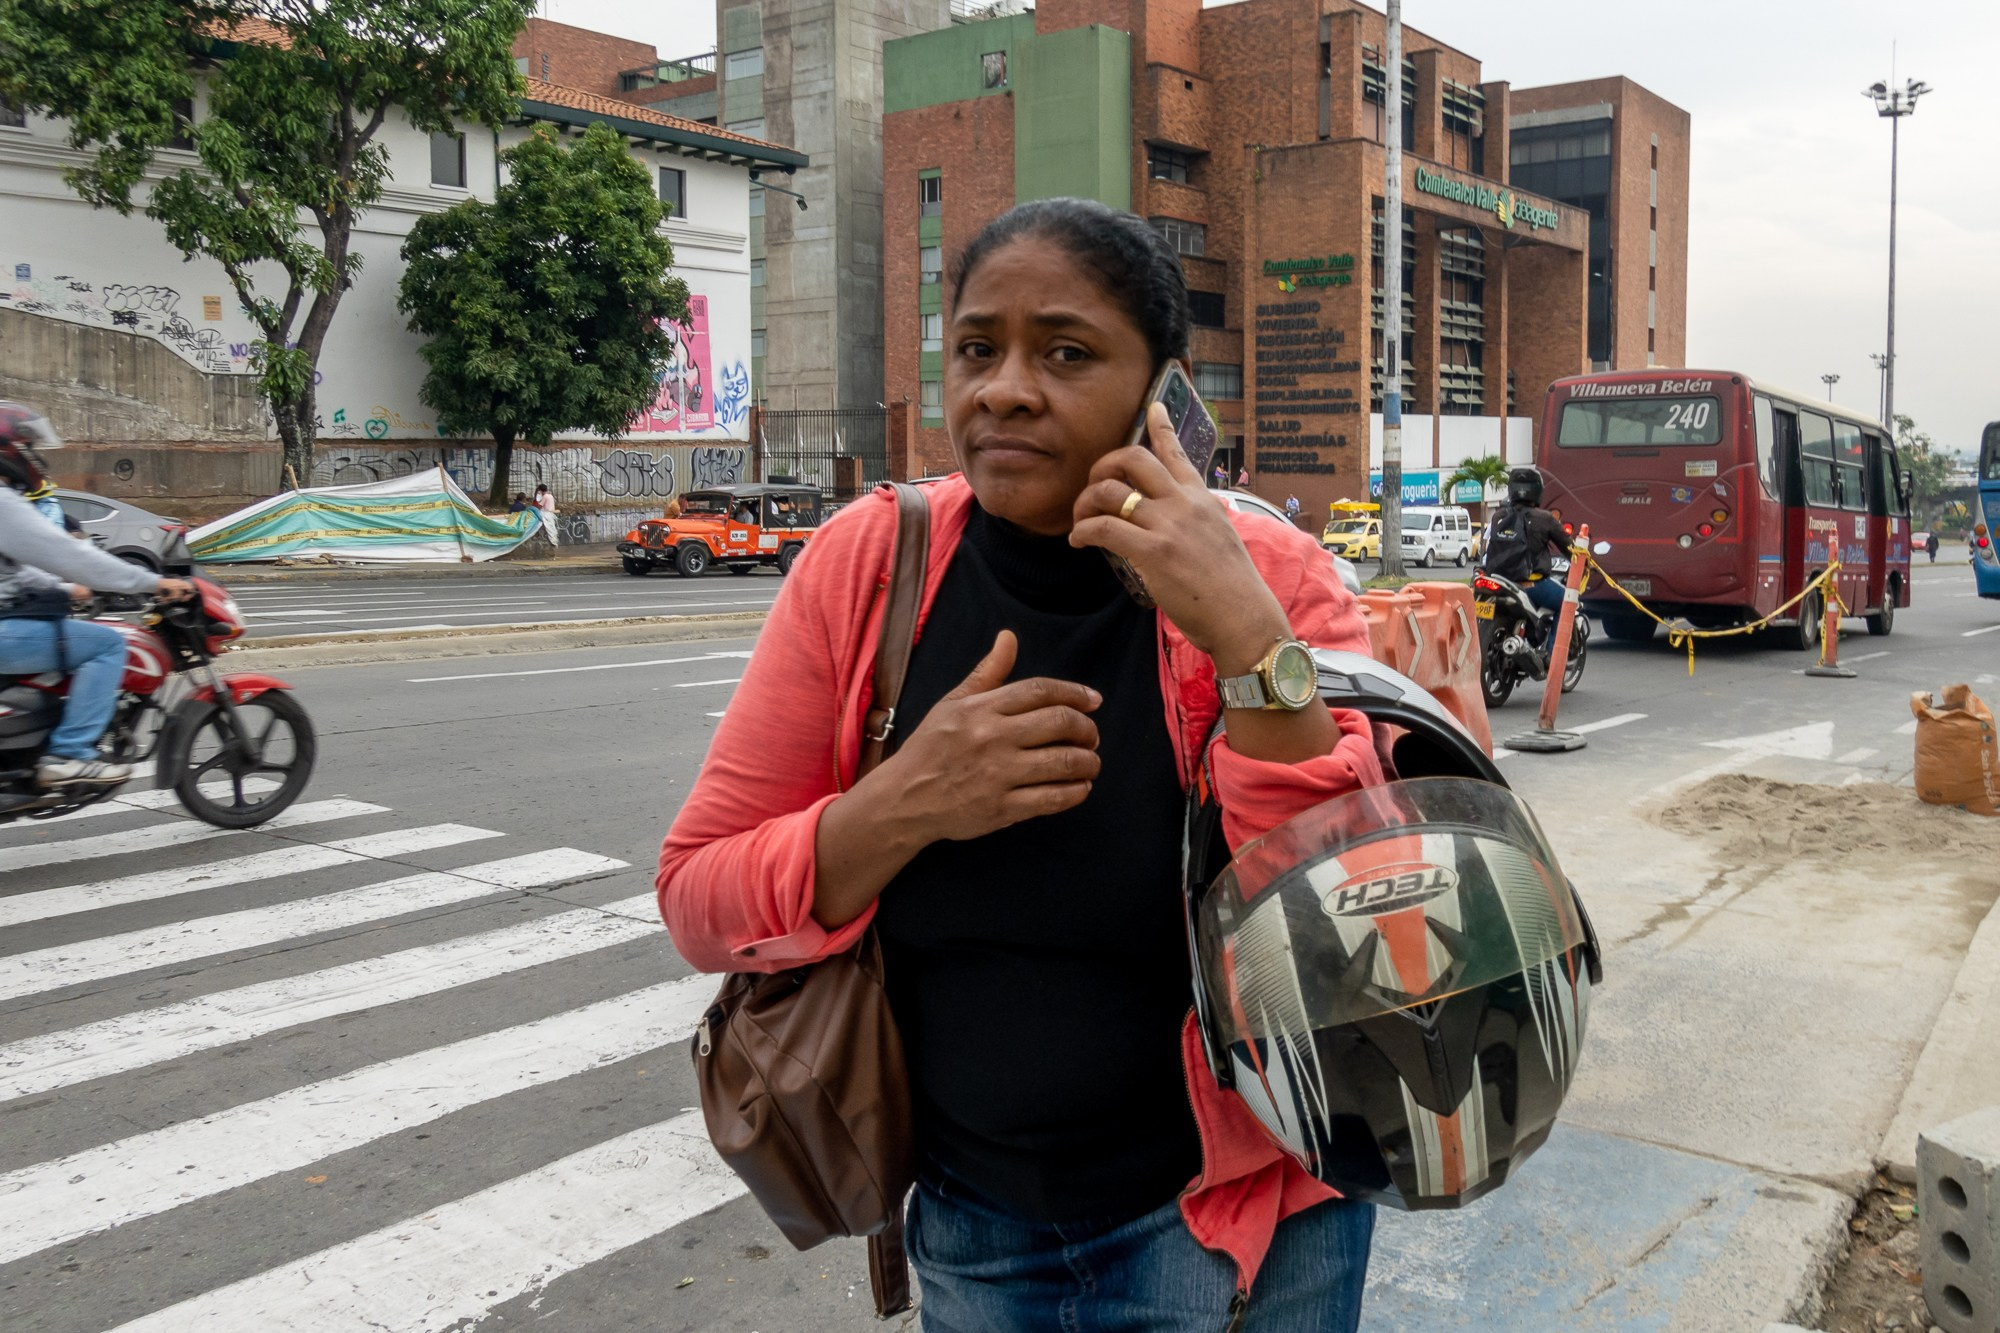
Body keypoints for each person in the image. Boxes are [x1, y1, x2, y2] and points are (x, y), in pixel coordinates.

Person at [659, 198, 1383, 1332]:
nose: (1003, 389)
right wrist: (900, 805)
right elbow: (697, 898)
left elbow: (1359, 916)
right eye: (975, 349)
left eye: (1066, 352)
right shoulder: (866, 564)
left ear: (1160, 392)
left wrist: (1248, 639)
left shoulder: (1274, 574)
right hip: (974, 1231)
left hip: (1250, 1221)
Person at [0, 403, 194, 787]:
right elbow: (71, 556)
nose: (36, 457)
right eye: (30, 446)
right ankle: (70, 754)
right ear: (12, 449)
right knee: (106, 645)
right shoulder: (4, 502)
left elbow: (15, 572)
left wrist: (63, 589)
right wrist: (154, 583)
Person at [1480, 466, 1569, 642]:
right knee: (1566, 603)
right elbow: (1570, 548)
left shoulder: (1498, 516)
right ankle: (1554, 653)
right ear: (1538, 490)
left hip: (1499, 581)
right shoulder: (1545, 518)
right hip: (1531, 585)